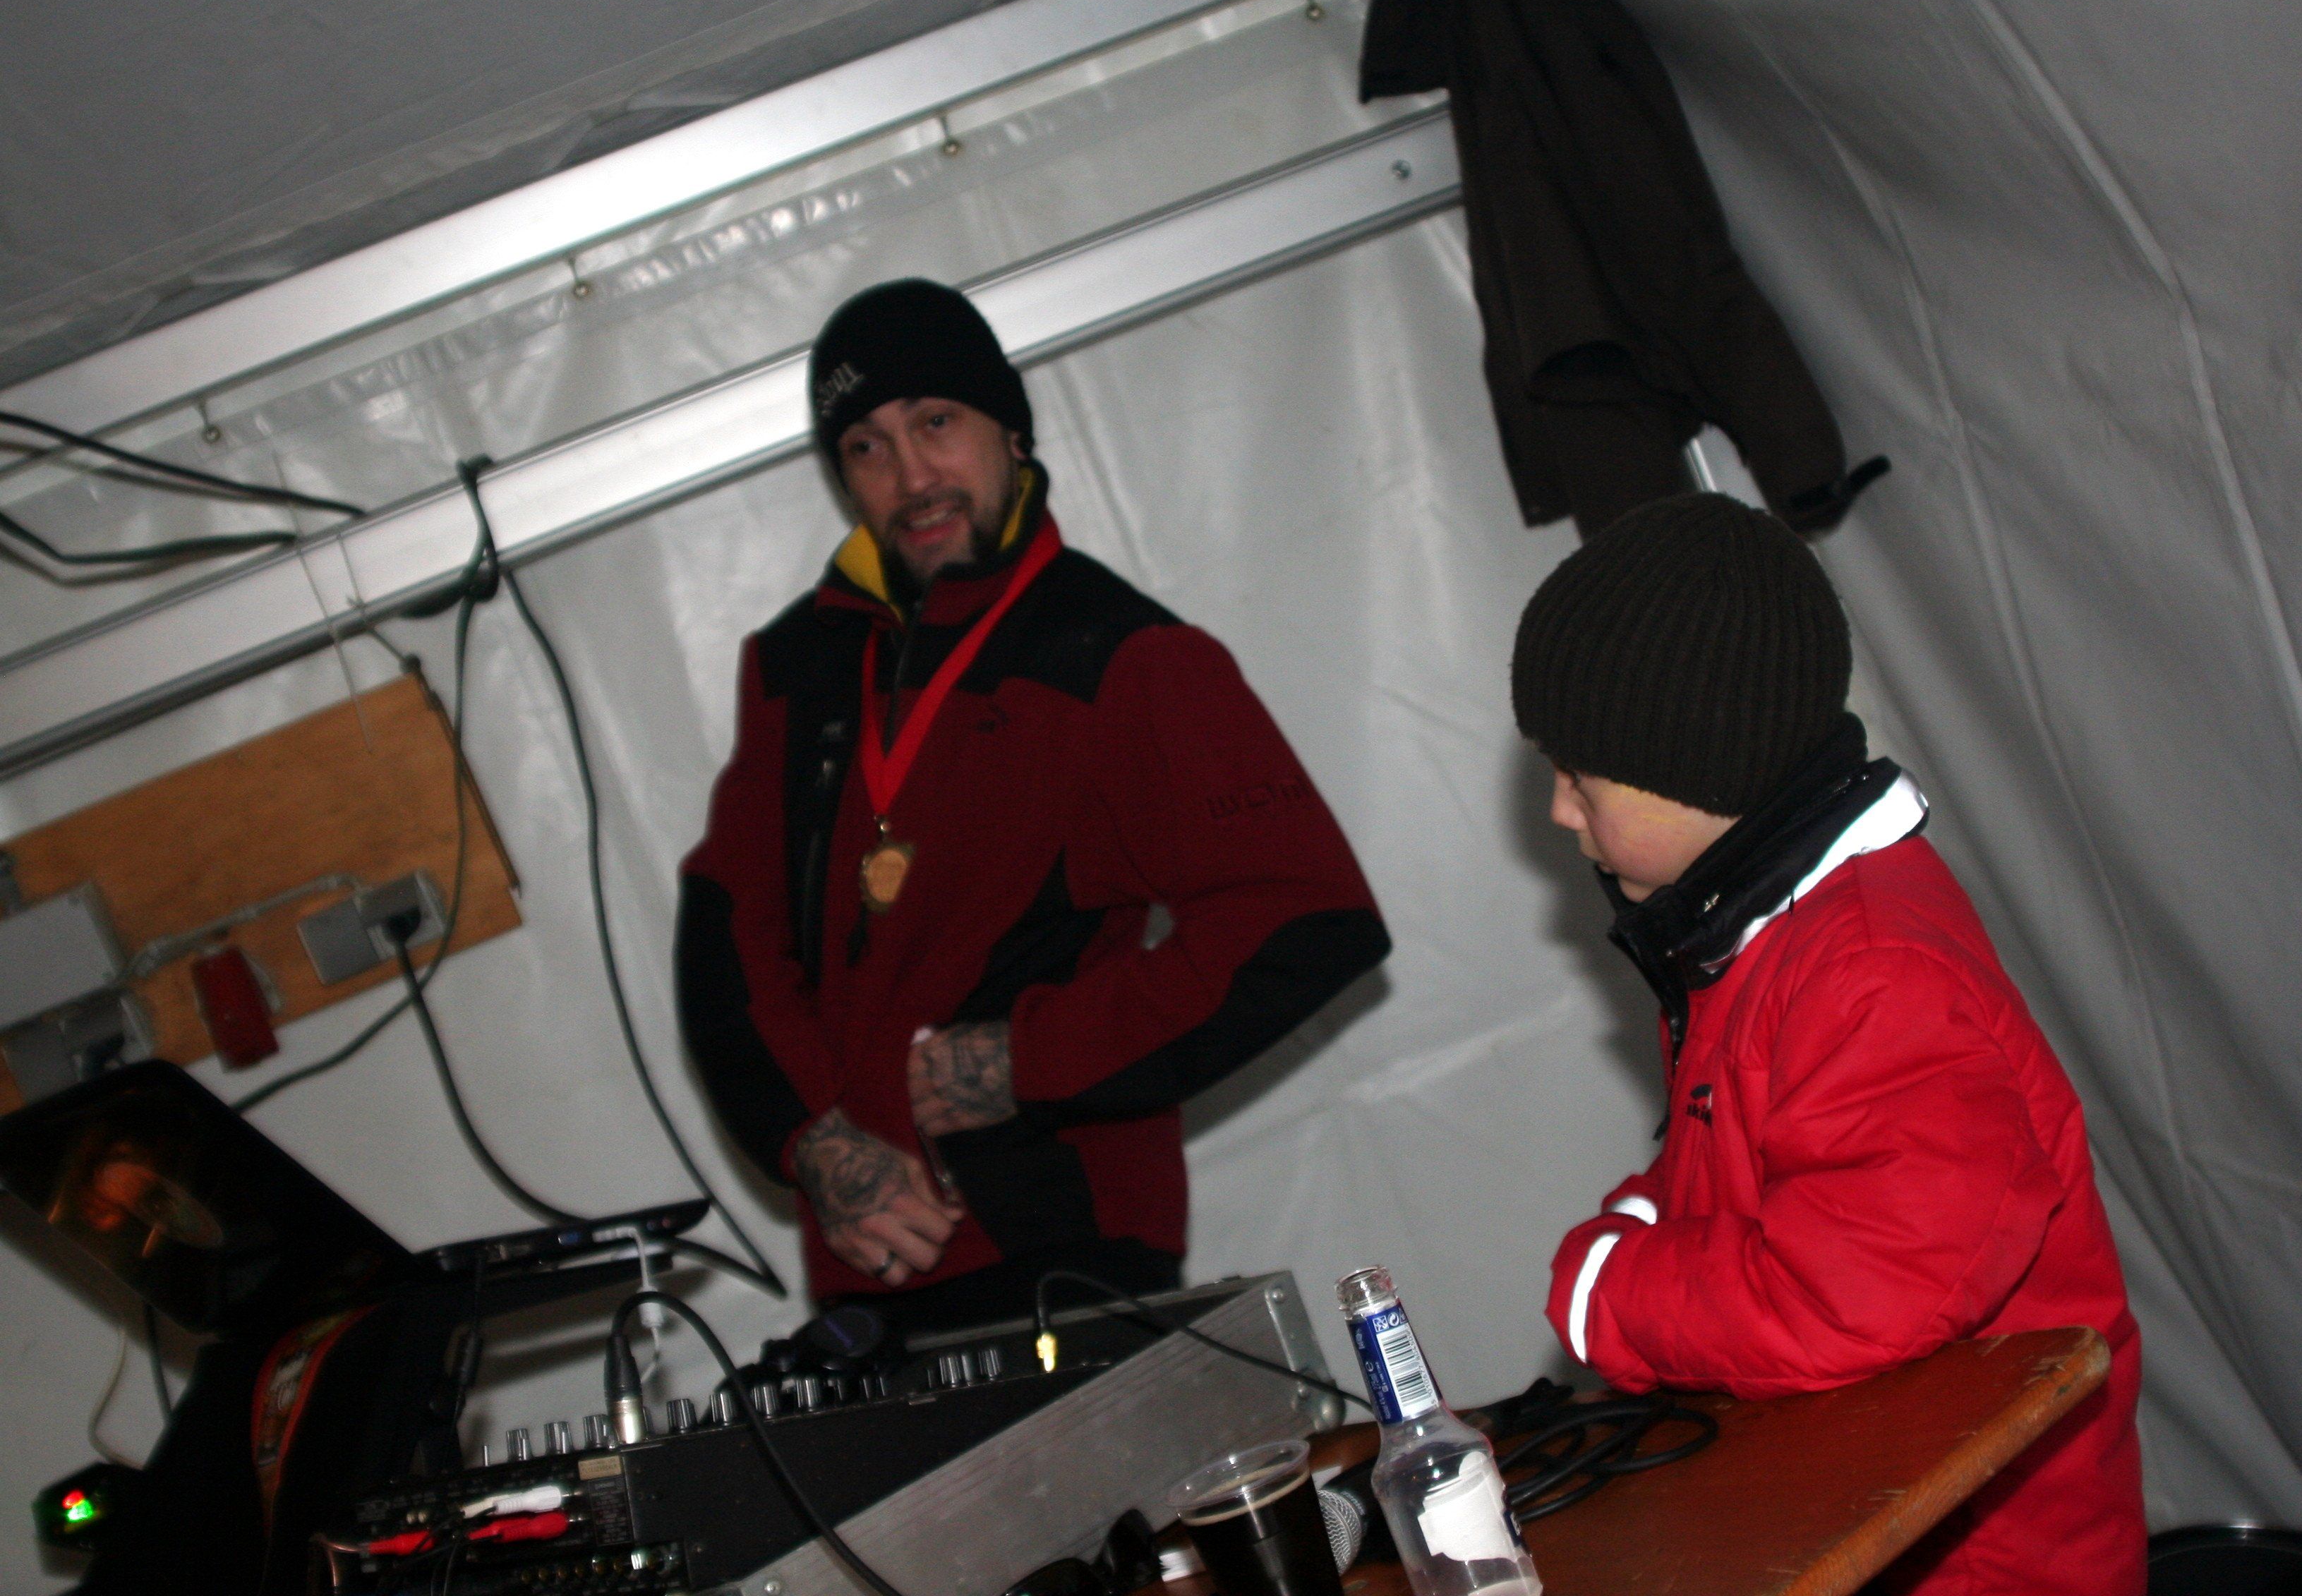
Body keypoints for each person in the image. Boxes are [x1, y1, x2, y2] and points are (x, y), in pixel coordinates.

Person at [676, 279, 1390, 1329]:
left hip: (1066, 1254)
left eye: (936, 423)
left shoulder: (1119, 653)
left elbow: (1307, 919)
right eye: (867, 447)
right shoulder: (797, 667)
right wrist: (818, 1146)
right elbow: (727, 938)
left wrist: (1025, 1059)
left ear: (1011, 431)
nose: (912, 476)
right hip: (870, 1266)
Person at [1510, 494, 2144, 1593]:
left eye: (1582, 778)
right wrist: (1653, 1214)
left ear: (1701, 767)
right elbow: (1773, 1164)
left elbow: (1854, 1291)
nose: (1562, 810)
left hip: (1979, 1558)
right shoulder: (1763, 934)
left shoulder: (1872, 971)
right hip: (1877, 1509)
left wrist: (1615, 1291)